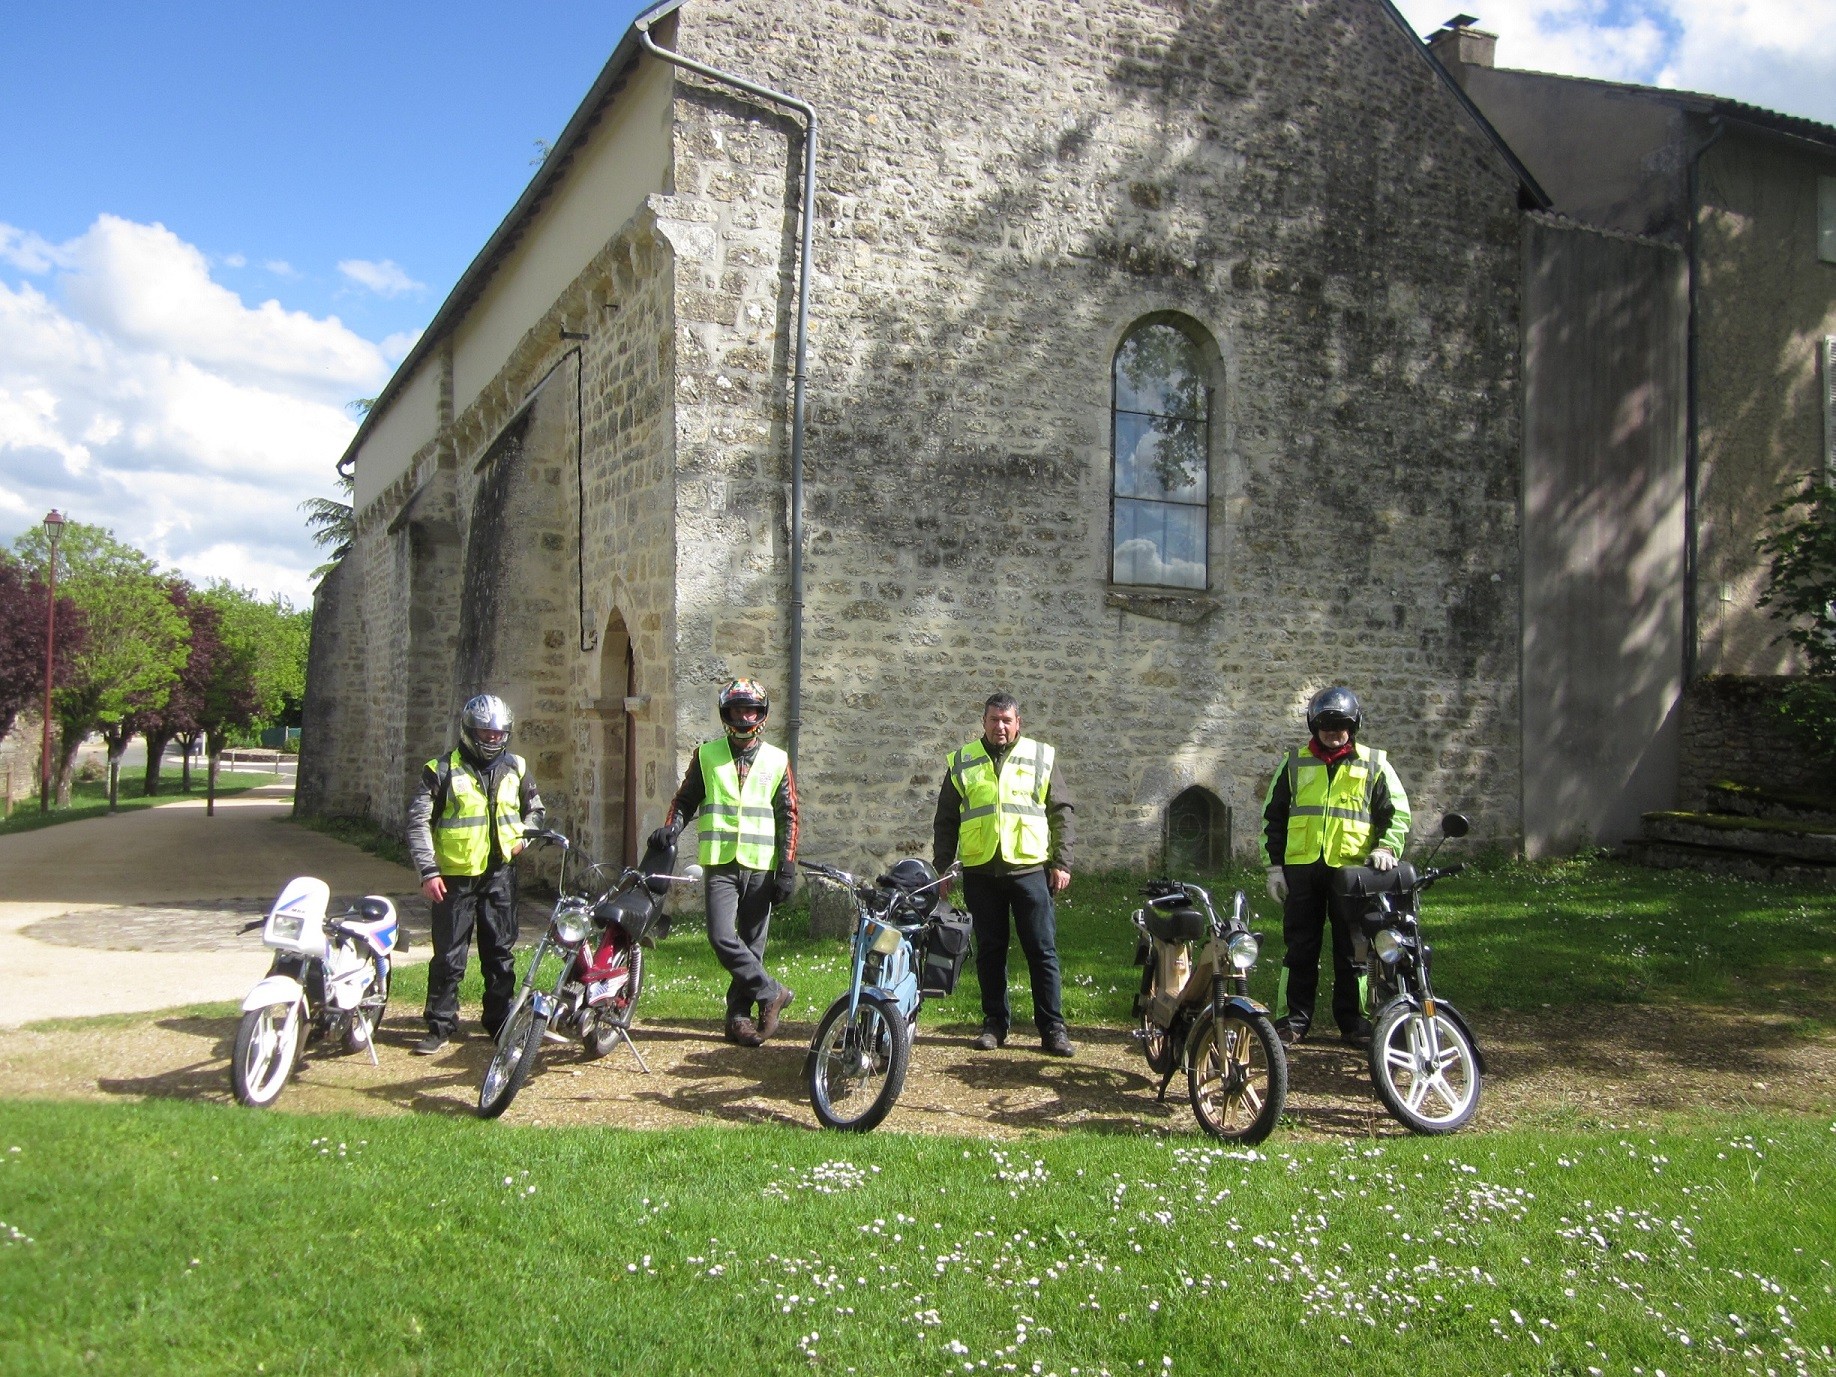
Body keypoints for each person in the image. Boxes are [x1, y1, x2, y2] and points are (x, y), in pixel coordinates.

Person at [1261, 685, 1411, 1047]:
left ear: (1354, 726)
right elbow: (1273, 817)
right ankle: (1293, 1020)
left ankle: (1353, 1021)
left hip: (1353, 874)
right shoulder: (1294, 763)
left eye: (1341, 726)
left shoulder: (1375, 763)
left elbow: (1397, 814)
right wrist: (1274, 867)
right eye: (1326, 726)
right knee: (1300, 947)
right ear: (1314, 726)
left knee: (1354, 948)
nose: (1334, 733)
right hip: (1302, 871)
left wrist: (1388, 847)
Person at [654, 678, 799, 1047]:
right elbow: (684, 799)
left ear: (761, 715)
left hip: (761, 864)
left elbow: (789, 815)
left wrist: (787, 867)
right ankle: (771, 992)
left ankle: (738, 1018)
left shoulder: (777, 759)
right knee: (721, 936)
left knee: (753, 944)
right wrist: (672, 826)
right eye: (736, 709)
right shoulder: (707, 754)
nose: (743, 716)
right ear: (726, 714)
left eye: (749, 709)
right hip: (720, 862)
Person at [933, 692, 1076, 1057]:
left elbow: (1060, 810)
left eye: (1006, 720)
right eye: (994, 720)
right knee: (990, 952)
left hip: (1030, 870)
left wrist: (1062, 861)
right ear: (983, 722)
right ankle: (994, 1023)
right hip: (982, 871)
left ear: (1018, 724)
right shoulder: (963, 761)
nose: (1000, 726)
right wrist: (943, 867)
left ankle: (1053, 1028)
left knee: (1041, 951)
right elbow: (946, 819)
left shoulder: (1041, 756)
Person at [406, 693, 546, 1056]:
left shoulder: (516, 766)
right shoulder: (440, 769)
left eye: (498, 734)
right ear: (469, 732)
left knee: (500, 954)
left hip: (500, 874)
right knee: (448, 956)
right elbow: (418, 822)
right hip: (453, 878)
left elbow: (536, 811)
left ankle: (499, 1022)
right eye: (485, 734)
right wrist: (428, 871)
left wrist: (523, 840)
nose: (492, 740)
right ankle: (439, 1025)